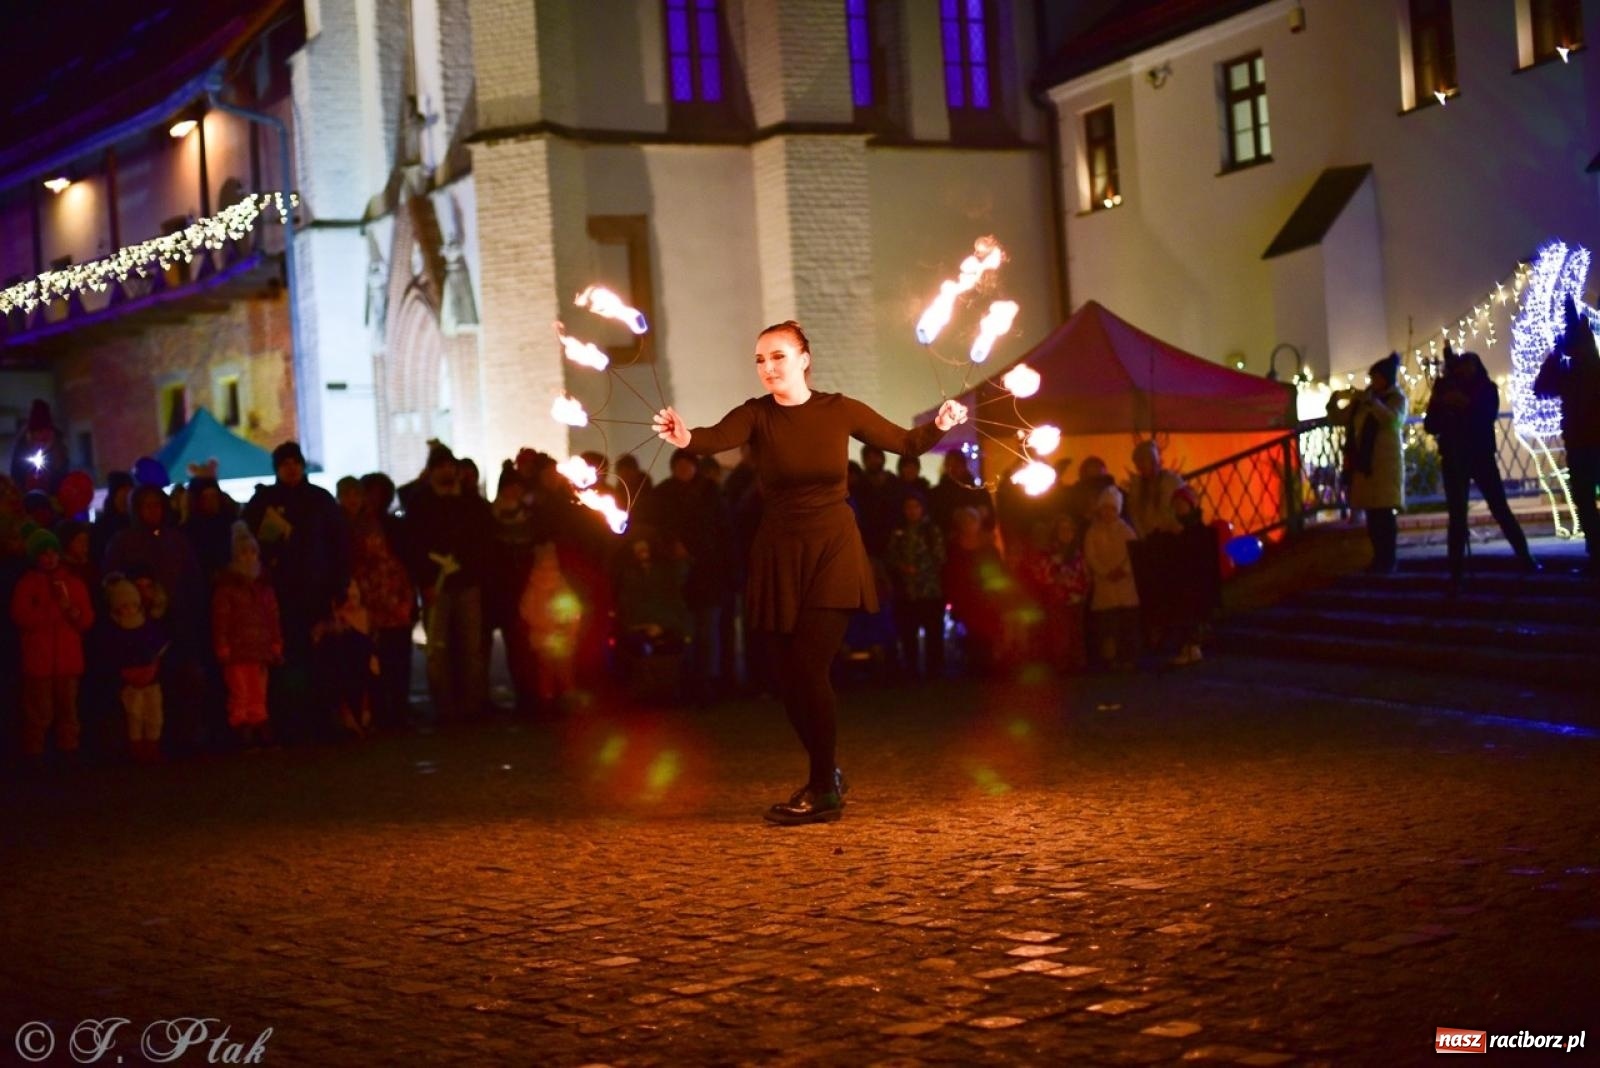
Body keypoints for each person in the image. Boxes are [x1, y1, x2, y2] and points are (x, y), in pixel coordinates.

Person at [653, 319, 966, 825]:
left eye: (777, 356)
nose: (767, 367)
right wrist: (683, 434)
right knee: (787, 675)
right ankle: (827, 773)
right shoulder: (756, 416)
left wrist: (941, 425)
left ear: (804, 358)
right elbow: (711, 437)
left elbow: (906, 445)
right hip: (779, 552)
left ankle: (822, 788)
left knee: (808, 666)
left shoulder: (838, 409)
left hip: (833, 548)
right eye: (759, 359)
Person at [1426, 347, 1538, 588]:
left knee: (1499, 507)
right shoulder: (1444, 389)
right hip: (1454, 457)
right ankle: (1456, 572)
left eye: (1468, 367)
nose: (1463, 372)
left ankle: (1525, 557)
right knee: (1457, 516)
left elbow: (1484, 416)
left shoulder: (1486, 389)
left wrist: (1462, 404)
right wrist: (1442, 405)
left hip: (1480, 455)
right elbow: (1430, 424)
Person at [11, 528, 94, 767]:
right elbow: (21, 616)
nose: (50, 558)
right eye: (43, 554)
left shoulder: (73, 583)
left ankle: (68, 749)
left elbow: (86, 619)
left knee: (68, 708)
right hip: (39, 660)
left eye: (53, 553)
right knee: (39, 711)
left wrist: (74, 613)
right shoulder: (27, 584)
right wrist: (54, 609)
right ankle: (35, 751)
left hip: (68, 659)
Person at [1327, 353, 1408, 573]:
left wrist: (1374, 403)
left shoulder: (1396, 399)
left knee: (1384, 515)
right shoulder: (1363, 400)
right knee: (1373, 517)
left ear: (1387, 378)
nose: (1373, 382)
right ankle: (1378, 559)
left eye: (1377, 377)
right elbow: (1340, 418)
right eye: (1372, 377)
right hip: (1364, 466)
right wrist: (1335, 400)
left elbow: (1393, 420)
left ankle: (1389, 559)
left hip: (1385, 466)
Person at [1535, 297, 1600, 569]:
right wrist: (1555, 355)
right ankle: (1595, 550)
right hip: (1578, 444)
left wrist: (1558, 354)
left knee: (1585, 499)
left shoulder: (1588, 369)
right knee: (1584, 500)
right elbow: (1541, 389)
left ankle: (1596, 550)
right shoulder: (1570, 369)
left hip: (1589, 443)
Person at [212, 522, 282, 748]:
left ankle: (258, 726)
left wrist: (275, 642)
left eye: (253, 552)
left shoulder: (263, 589)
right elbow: (221, 619)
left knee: (258, 690)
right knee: (240, 690)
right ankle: (242, 730)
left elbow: (272, 617)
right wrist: (222, 645)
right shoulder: (227, 589)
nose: (249, 557)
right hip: (237, 649)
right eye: (243, 552)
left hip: (259, 648)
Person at [884, 492, 945, 679]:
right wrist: (902, 567)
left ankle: (934, 670)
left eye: (915, 507)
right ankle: (911, 670)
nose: (912, 511)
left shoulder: (931, 530)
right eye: (908, 507)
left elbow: (940, 557)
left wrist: (920, 569)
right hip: (906, 592)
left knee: (933, 633)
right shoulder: (898, 531)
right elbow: (890, 556)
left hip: (929, 591)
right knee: (908, 634)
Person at [1084, 485, 1140, 670]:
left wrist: (1123, 570)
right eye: (1105, 509)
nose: (1108, 513)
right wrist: (1104, 571)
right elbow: (1090, 556)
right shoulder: (1093, 532)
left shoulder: (1126, 531)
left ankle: (1128, 657)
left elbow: (1134, 554)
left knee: (1126, 624)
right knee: (1109, 625)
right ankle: (1111, 658)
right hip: (1105, 585)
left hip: (1124, 585)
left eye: (1112, 509)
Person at [1124, 441, 1185, 539]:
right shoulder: (1137, 488)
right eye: (1138, 463)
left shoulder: (1172, 481)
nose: (1140, 467)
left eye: (1144, 460)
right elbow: (1134, 515)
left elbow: (1183, 508)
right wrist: (1143, 537)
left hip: (1173, 538)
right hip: (1149, 540)